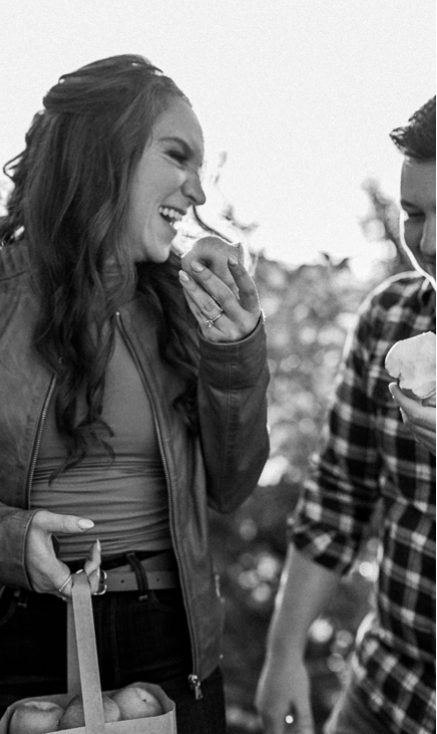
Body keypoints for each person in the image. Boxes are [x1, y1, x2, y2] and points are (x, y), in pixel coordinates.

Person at [0, 54, 271, 734]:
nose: (197, 193)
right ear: (104, 154)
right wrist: (8, 536)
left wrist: (236, 356)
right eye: (178, 157)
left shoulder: (188, 308)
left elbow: (232, 487)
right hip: (7, 639)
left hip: (170, 644)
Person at [255, 98, 436, 734]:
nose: (430, 244)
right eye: (415, 214)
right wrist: (284, 655)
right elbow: (340, 495)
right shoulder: (390, 319)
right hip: (385, 693)